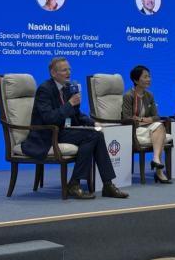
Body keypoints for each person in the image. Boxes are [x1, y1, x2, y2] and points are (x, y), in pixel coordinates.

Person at [21, 57, 129, 198]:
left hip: (64, 130)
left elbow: (77, 114)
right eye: (64, 70)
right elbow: (49, 118)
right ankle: (79, 184)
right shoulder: (44, 89)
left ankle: (104, 184)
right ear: (53, 73)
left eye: (69, 69)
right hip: (47, 134)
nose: (68, 72)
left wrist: (93, 123)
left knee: (96, 134)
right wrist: (70, 104)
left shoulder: (68, 88)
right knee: (93, 136)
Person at [122, 65, 171, 184]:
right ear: (136, 80)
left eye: (149, 76)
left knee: (159, 126)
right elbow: (127, 118)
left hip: (147, 127)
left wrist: (142, 119)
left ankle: (156, 159)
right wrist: (147, 120)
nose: (149, 79)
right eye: (145, 77)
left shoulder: (149, 95)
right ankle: (159, 172)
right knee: (160, 131)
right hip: (134, 129)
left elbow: (156, 116)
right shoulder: (128, 96)